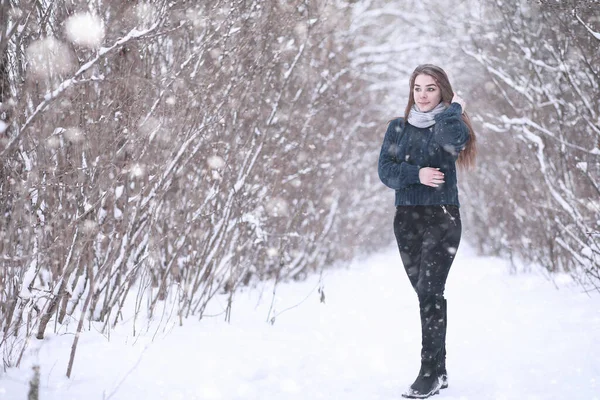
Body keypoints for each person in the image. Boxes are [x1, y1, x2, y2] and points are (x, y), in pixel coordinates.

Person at [378, 64, 476, 399]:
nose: (422, 95)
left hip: (442, 216)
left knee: (431, 291)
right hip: (406, 218)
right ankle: (440, 369)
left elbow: (452, 141)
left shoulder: (450, 125)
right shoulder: (397, 128)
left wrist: (454, 111)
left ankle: (428, 373)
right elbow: (386, 171)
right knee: (424, 293)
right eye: (417, 88)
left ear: (442, 92)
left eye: (430, 88)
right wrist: (415, 174)